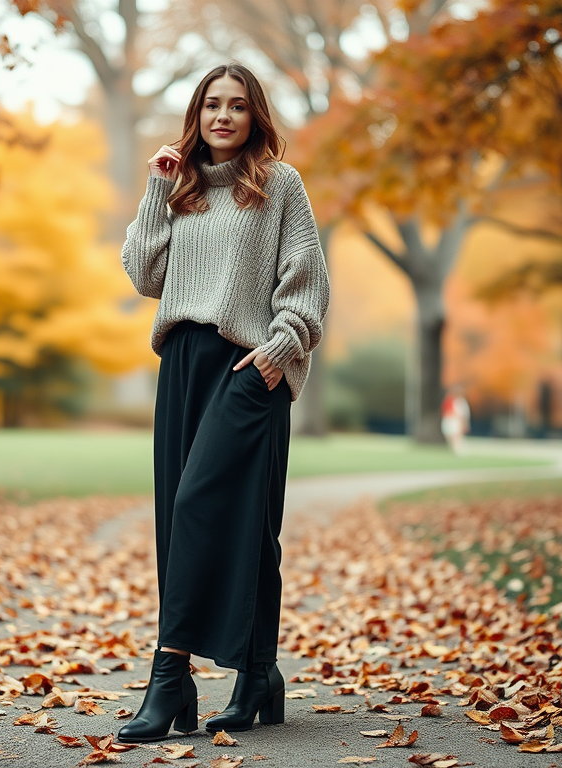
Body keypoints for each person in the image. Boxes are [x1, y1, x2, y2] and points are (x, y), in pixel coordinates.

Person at [117, 62, 330, 743]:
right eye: (213, 104)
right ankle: (256, 674)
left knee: (204, 507)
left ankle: (168, 672)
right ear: (197, 113)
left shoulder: (280, 187)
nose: (225, 116)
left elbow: (308, 284)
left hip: (248, 367)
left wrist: (276, 352)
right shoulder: (178, 188)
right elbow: (145, 274)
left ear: (255, 116)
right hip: (182, 364)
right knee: (196, 525)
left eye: (238, 105)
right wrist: (157, 186)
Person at [440, 386, 471, 454]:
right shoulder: (451, 401)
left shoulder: (460, 402)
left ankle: (458, 448)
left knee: (456, 436)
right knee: (450, 435)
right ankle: (455, 448)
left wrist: (463, 423)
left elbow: (461, 415)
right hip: (450, 421)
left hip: (455, 421)